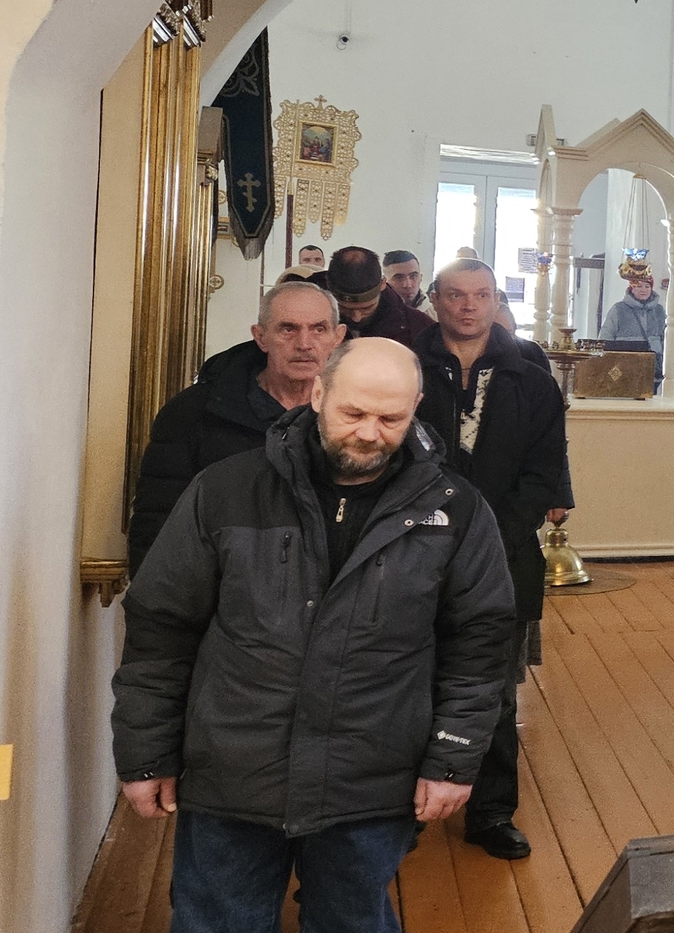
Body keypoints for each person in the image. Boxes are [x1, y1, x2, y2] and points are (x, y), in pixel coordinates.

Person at [111, 338, 517, 933]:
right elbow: (161, 631)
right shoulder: (225, 491)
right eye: (354, 413)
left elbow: (479, 647)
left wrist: (453, 760)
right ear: (318, 395)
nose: (370, 434)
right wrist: (146, 754)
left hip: (371, 780)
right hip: (233, 772)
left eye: (391, 418)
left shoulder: (456, 511)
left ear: (416, 408)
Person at [412, 260, 573, 860]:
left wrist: (487, 538)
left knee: (494, 689)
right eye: (455, 295)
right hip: (414, 549)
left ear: (496, 300)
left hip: (503, 552)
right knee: (405, 680)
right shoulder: (407, 367)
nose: (467, 306)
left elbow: (543, 471)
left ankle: (491, 810)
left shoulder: (531, 379)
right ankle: (401, 808)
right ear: (435, 300)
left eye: (480, 295)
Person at [127, 282, 344, 572]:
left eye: (318, 329)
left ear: (337, 337)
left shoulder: (360, 415)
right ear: (261, 337)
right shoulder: (195, 413)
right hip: (225, 585)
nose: (304, 344)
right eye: (288, 329)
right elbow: (159, 520)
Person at [325, 245, 433, 346]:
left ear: (383, 284)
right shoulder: (314, 319)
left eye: (367, 308)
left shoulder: (419, 327)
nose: (356, 318)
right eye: (345, 309)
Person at [599, 259, 667, 375]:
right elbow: (605, 338)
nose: (643, 290)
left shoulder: (659, 311)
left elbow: (666, 338)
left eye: (647, 286)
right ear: (632, 288)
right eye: (639, 286)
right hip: (624, 365)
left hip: (653, 367)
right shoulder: (618, 309)